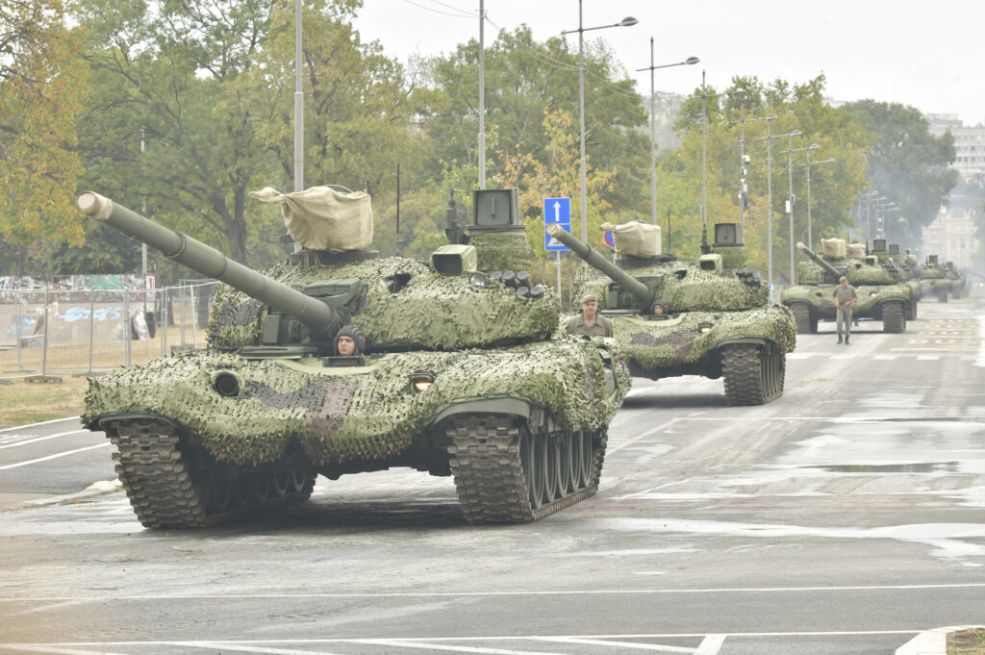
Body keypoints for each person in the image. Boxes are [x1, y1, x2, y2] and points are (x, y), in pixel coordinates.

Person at [832, 276, 857, 344]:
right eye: (842, 282)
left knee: (848, 323)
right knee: (839, 322)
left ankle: (847, 338)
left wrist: (850, 302)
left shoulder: (851, 288)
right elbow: (833, 297)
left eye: (844, 282)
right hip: (840, 307)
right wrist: (835, 303)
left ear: (847, 282)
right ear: (840, 283)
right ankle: (839, 337)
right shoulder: (837, 288)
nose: (843, 284)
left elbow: (855, 298)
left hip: (848, 307)